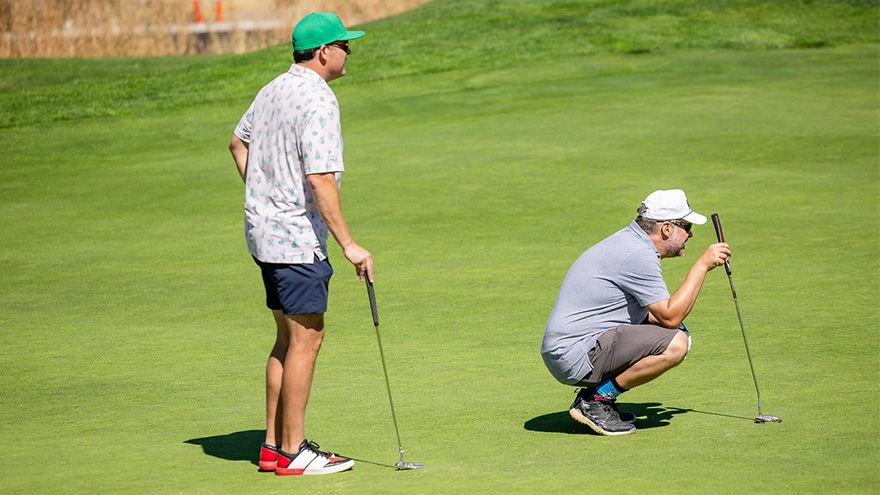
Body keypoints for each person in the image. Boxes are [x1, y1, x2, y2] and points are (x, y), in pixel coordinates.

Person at [228, 12, 372, 475]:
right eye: (345, 46)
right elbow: (320, 178)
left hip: (265, 236)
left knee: (287, 339)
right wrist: (349, 244)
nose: (350, 52)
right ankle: (293, 453)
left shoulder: (273, 88)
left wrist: (263, 196)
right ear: (325, 51)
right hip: (295, 242)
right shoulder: (319, 99)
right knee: (308, 338)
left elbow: (237, 143)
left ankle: (273, 447)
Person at [540, 189, 731, 436]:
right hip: (573, 356)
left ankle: (597, 399)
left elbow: (658, 317)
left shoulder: (631, 242)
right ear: (667, 229)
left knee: (672, 332)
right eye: (686, 226)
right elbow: (670, 316)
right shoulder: (638, 254)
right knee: (676, 343)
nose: (690, 234)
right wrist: (702, 265)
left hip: (573, 348)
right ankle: (595, 401)